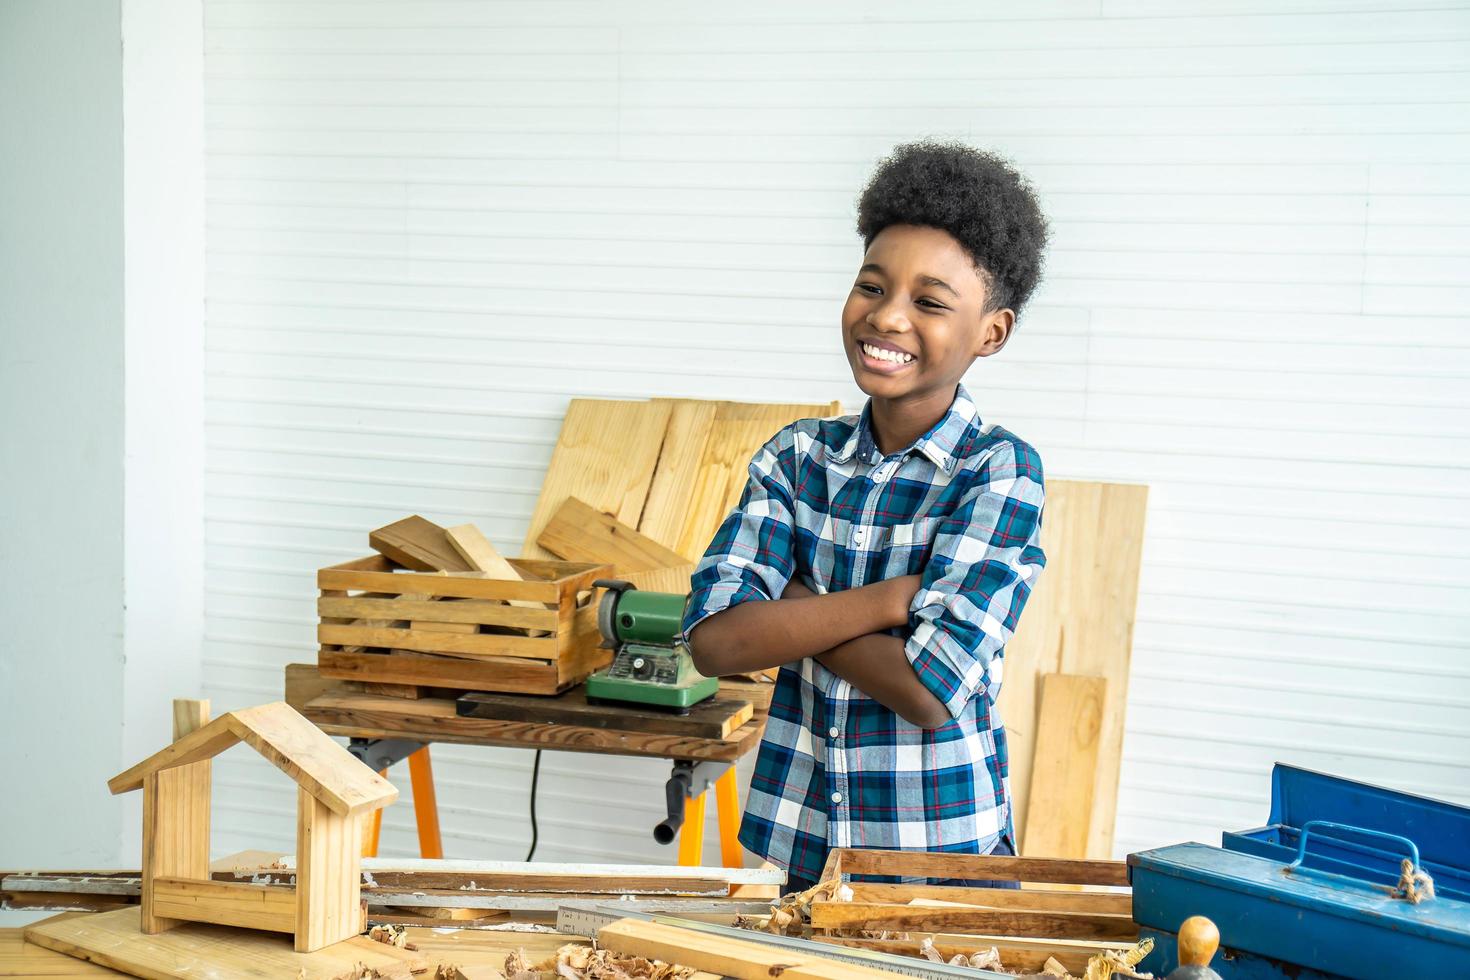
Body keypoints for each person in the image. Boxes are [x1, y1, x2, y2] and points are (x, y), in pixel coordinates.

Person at [681, 139, 1051, 892]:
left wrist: (792, 607)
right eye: (872, 286)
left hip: (940, 862)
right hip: (804, 854)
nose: (887, 318)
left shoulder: (1001, 473)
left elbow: (926, 691)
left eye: (930, 301)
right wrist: (888, 602)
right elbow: (716, 640)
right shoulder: (796, 457)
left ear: (992, 332)